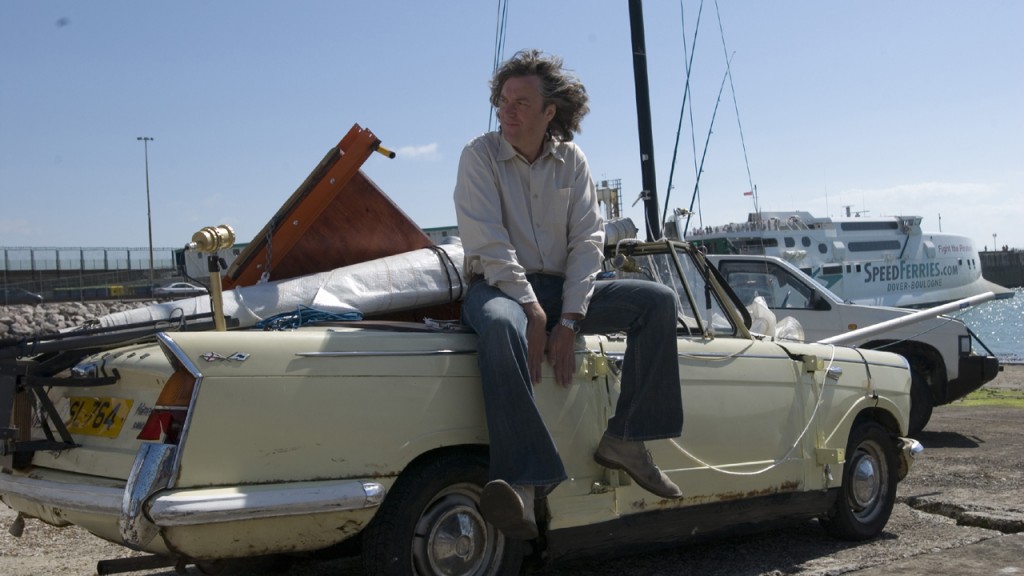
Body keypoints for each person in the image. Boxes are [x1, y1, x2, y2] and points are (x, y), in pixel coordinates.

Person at [454, 49, 684, 540]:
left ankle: (627, 439)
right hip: (497, 287)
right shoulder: (479, 155)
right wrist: (533, 310)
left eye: (520, 102)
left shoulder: (572, 160)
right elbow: (488, 243)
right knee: (501, 324)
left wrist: (571, 318)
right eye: (503, 101)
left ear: (549, 112)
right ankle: (523, 479)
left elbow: (587, 243)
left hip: (562, 290)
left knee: (657, 302)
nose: (507, 111)